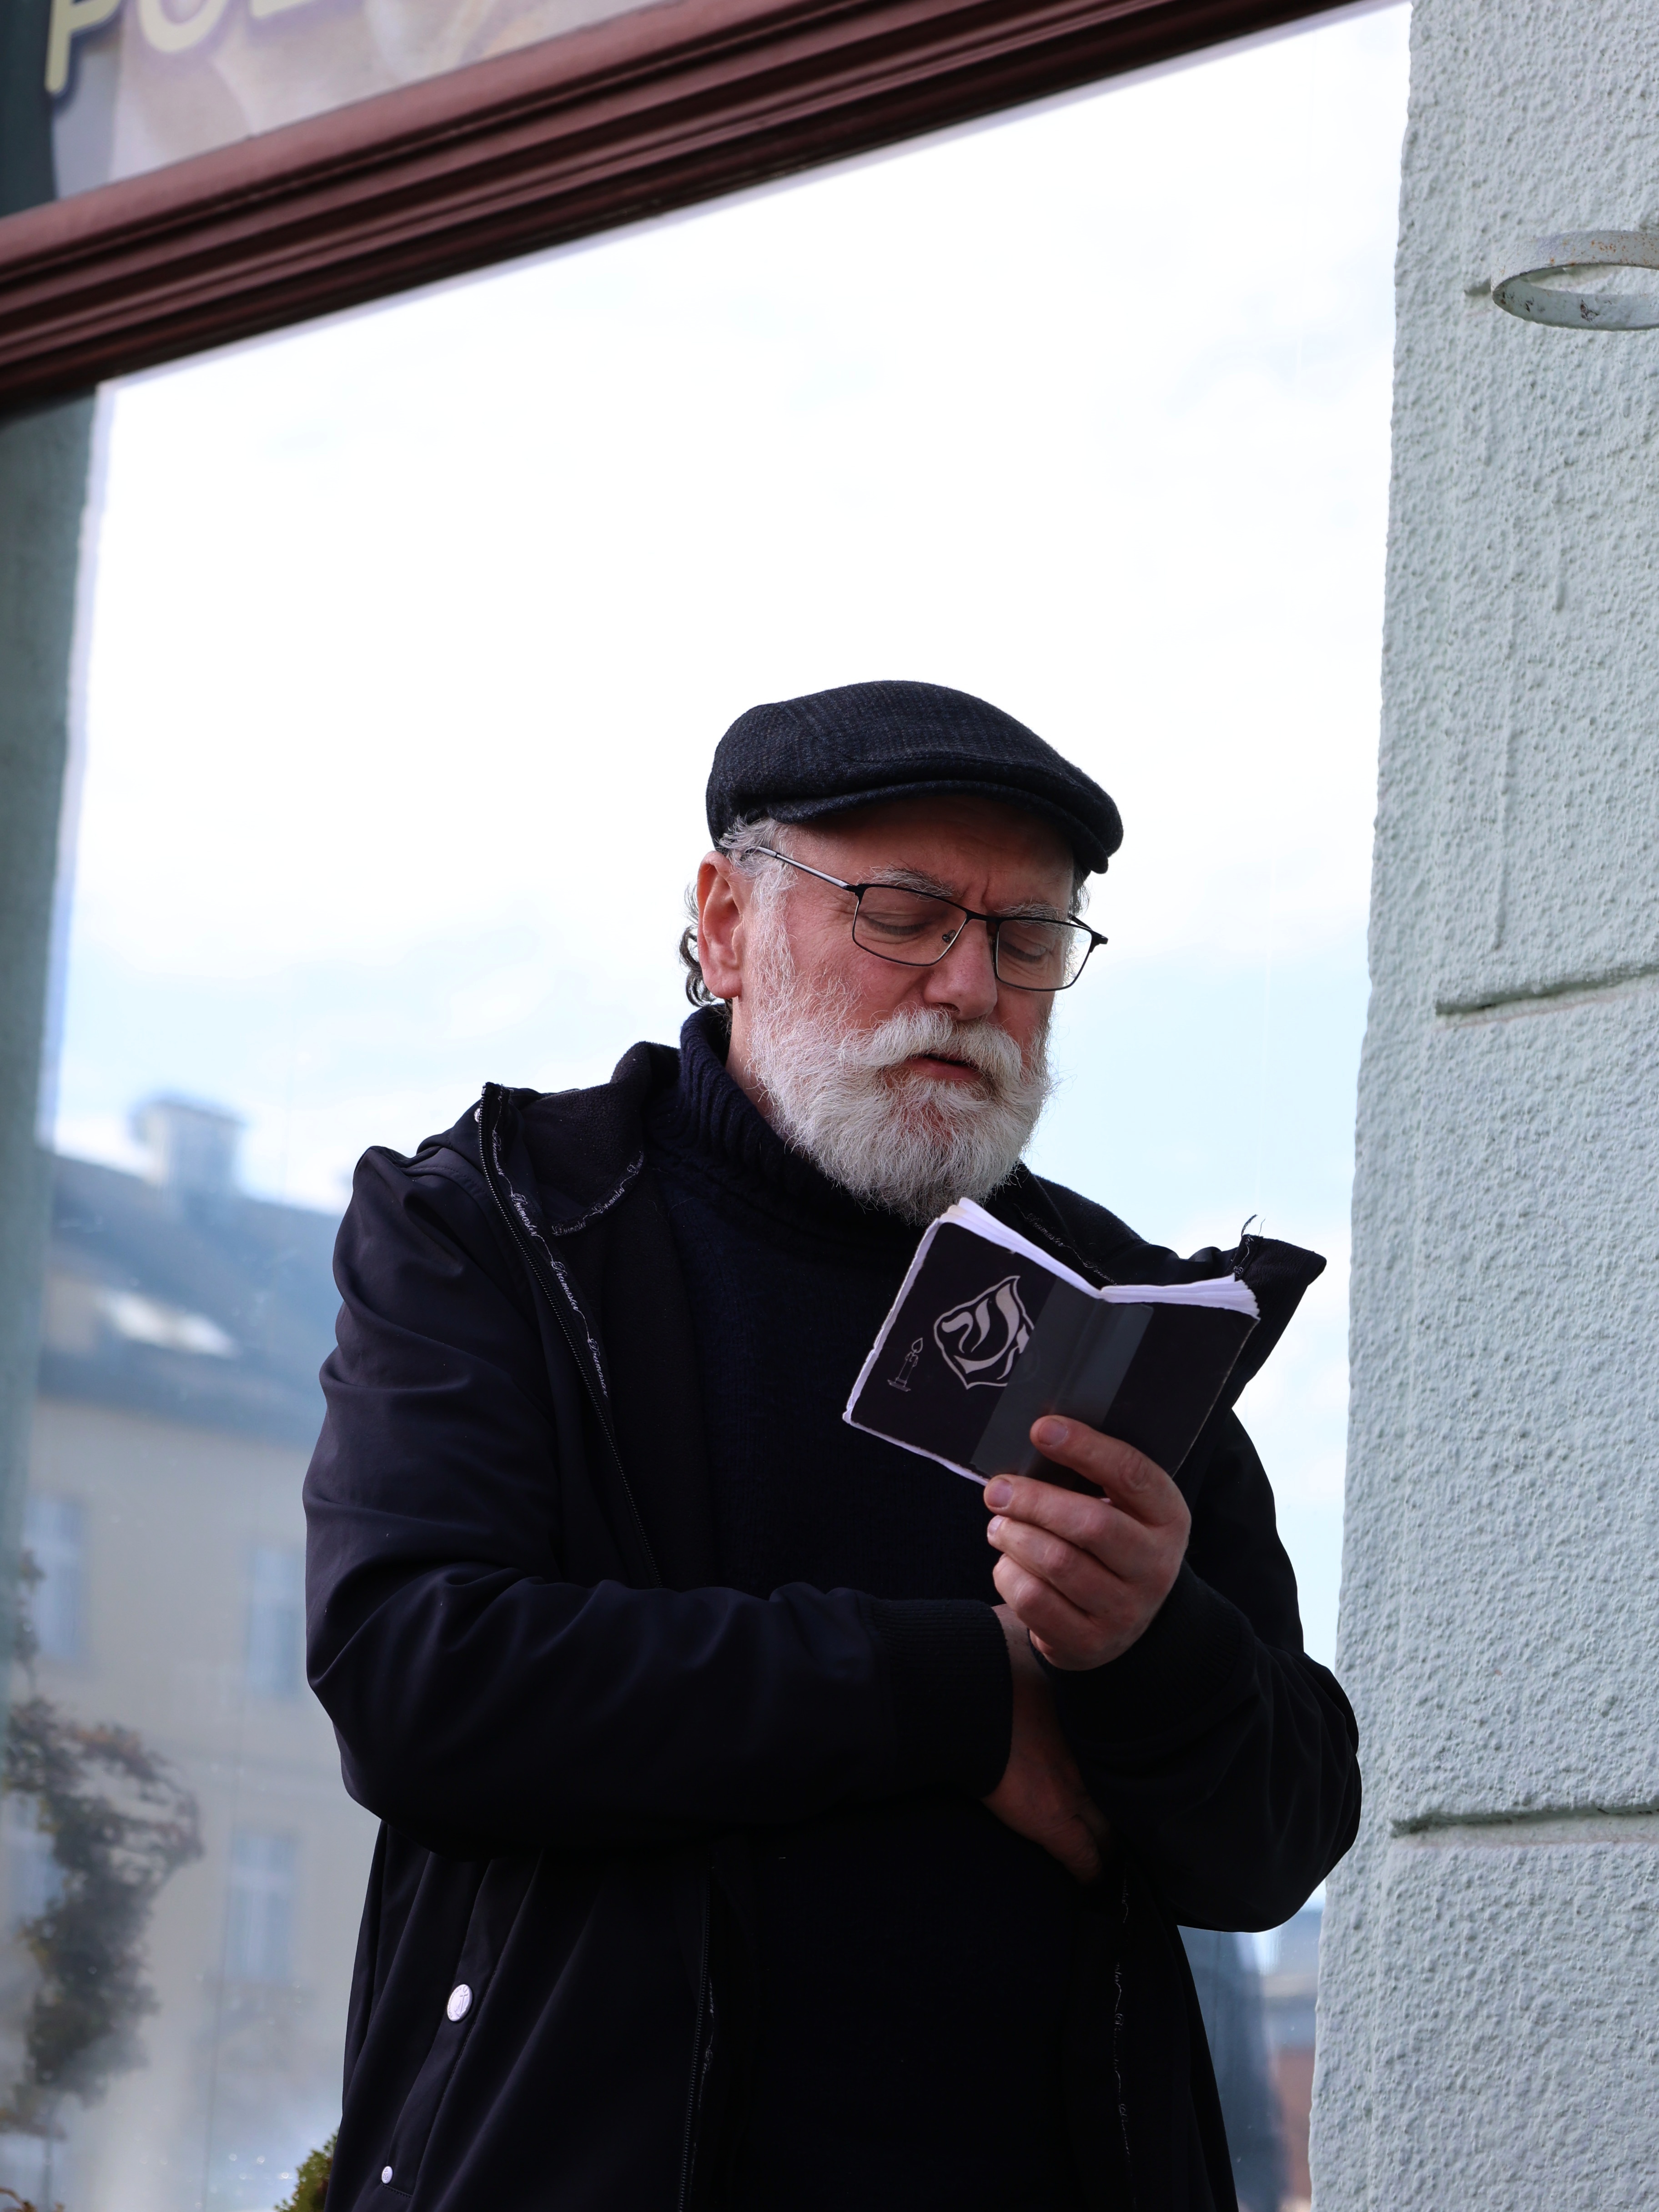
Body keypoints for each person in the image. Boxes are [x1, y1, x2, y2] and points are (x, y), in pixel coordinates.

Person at [304, 679, 1360, 2212]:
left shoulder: (1119, 1312)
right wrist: (959, 1693)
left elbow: (1275, 1842)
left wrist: (1150, 1643)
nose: (969, 984)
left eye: (1027, 939)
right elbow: (419, 1679)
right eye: (905, 914)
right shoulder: (506, 1227)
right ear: (727, 923)